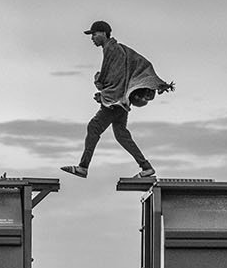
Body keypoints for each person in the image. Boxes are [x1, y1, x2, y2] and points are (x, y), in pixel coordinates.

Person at [60, 20, 173, 179]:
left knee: (94, 127)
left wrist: (103, 92)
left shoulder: (112, 50)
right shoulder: (112, 49)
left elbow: (117, 79)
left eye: (94, 34)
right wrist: (103, 88)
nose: (92, 38)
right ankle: (146, 168)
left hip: (115, 102)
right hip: (119, 102)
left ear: (104, 34)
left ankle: (83, 167)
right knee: (121, 135)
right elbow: (115, 79)